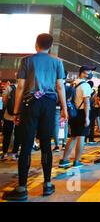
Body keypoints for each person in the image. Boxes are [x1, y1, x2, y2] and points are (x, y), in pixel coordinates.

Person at [3, 34, 68, 201]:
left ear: (36, 44)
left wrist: (16, 112)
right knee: (46, 144)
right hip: (49, 104)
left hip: (30, 104)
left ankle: (22, 188)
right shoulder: (57, 62)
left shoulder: (27, 61)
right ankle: (47, 184)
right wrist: (64, 110)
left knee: (26, 145)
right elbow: (60, 86)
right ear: (50, 46)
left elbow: (20, 87)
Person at [58, 66, 94, 169]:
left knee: (73, 136)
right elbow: (86, 102)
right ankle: (77, 161)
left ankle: (64, 160)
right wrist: (87, 117)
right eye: (89, 71)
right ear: (83, 73)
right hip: (82, 112)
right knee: (81, 137)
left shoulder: (73, 83)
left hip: (73, 112)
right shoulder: (86, 86)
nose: (91, 73)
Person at [1, 80, 20, 160]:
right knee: (18, 135)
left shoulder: (10, 87)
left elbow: (4, 101)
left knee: (7, 135)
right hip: (19, 116)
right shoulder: (25, 88)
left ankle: (4, 153)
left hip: (8, 115)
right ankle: (14, 153)